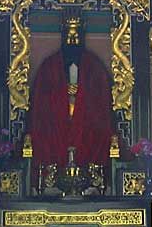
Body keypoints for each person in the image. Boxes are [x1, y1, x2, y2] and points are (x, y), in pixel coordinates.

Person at [27, 14, 113, 175]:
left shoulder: (94, 66)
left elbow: (102, 104)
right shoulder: (49, 66)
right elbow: (41, 104)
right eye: (69, 36)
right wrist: (61, 93)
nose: (72, 41)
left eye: (76, 36)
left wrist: (82, 94)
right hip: (57, 128)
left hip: (85, 127)